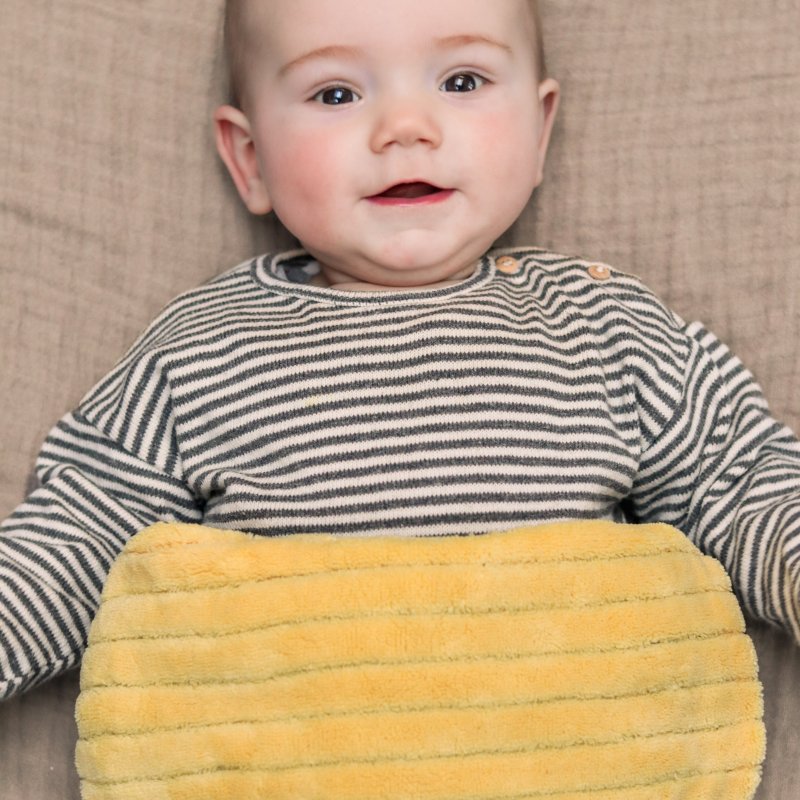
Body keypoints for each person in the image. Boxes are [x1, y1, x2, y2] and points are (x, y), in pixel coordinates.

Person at [1, 0, 798, 701]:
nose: (405, 129)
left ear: (540, 129)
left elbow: (739, 483)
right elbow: (78, 536)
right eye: (336, 94)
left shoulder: (606, 328)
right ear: (250, 159)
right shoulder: (201, 353)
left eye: (462, 81)